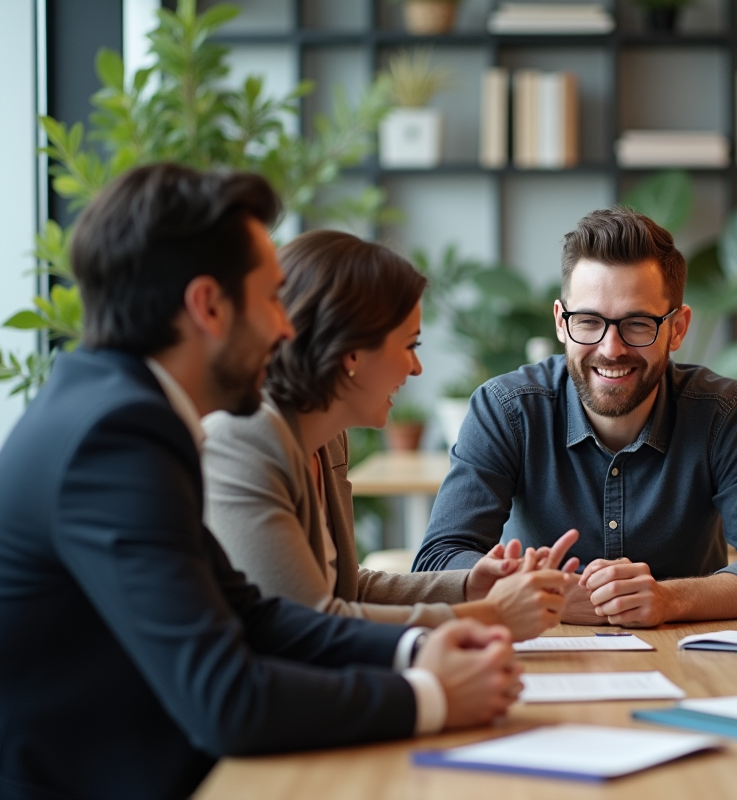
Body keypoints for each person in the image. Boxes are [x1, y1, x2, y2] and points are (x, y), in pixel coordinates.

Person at [0, 164, 523, 800]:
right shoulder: (117, 437)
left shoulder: (113, 407)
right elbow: (226, 699)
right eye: (273, 298)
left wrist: (416, 648)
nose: (285, 329)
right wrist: (430, 696)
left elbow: (255, 614)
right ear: (208, 306)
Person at [413, 206, 737, 627]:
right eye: (588, 321)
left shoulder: (721, 412)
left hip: (687, 661)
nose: (610, 349)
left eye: (638, 324)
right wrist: (542, 595)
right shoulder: (506, 409)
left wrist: (670, 598)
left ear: (677, 328)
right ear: (560, 322)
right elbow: (438, 563)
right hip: (543, 658)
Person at [202, 230, 575, 641]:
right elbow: (310, 626)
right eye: (409, 345)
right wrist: (490, 616)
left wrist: (470, 586)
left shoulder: (325, 439)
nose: (416, 369)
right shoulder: (245, 439)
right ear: (352, 352)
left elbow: (346, 589)